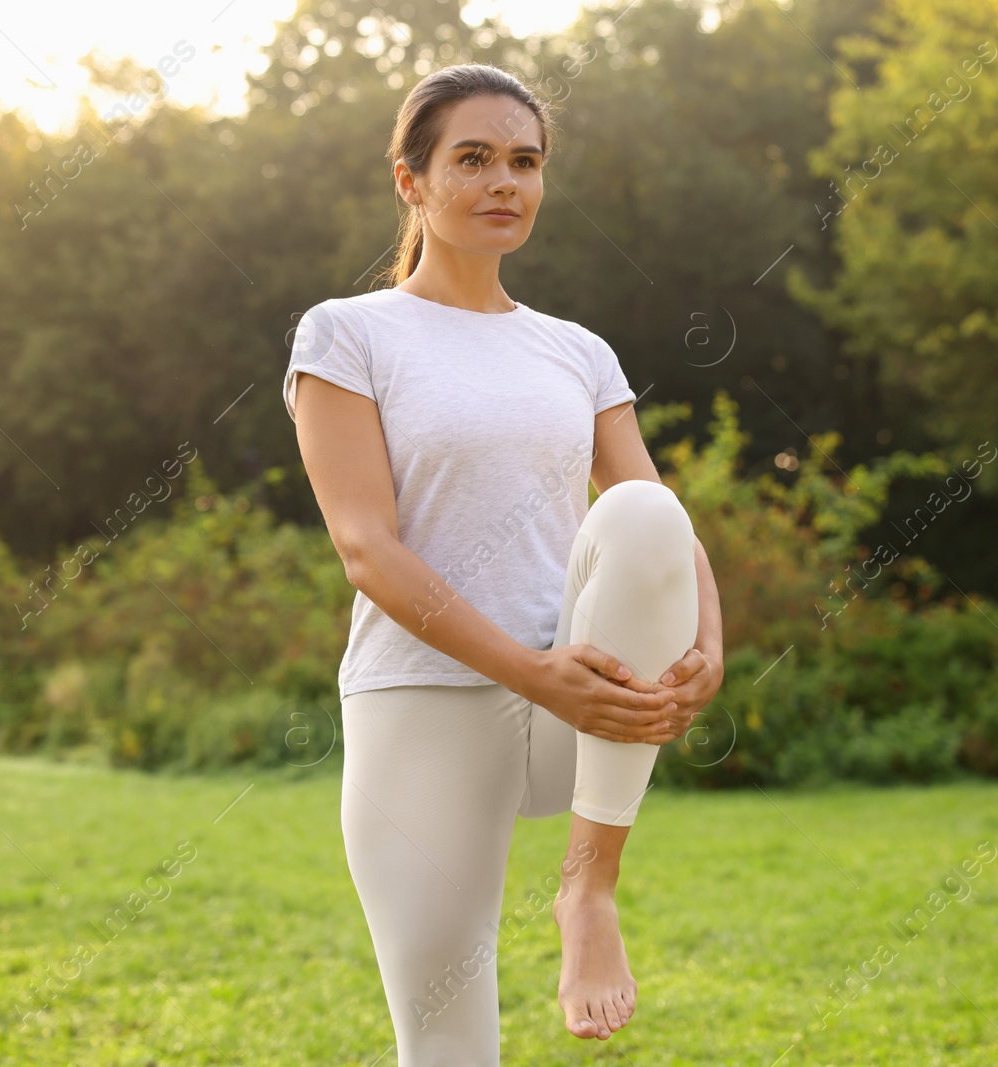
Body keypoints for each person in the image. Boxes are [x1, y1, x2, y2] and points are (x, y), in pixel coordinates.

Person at [283, 62, 724, 1066]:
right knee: (446, 1043)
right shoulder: (346, 334)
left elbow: (657, 519)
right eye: (471, 159)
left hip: (577, 701)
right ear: (410, 179)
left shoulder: (575, 350)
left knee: (649, 509)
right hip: (426, 700)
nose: (503, 183)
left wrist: (710, 644)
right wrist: (532, 676)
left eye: (524, 161)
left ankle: (587, 884)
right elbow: (366, 547)